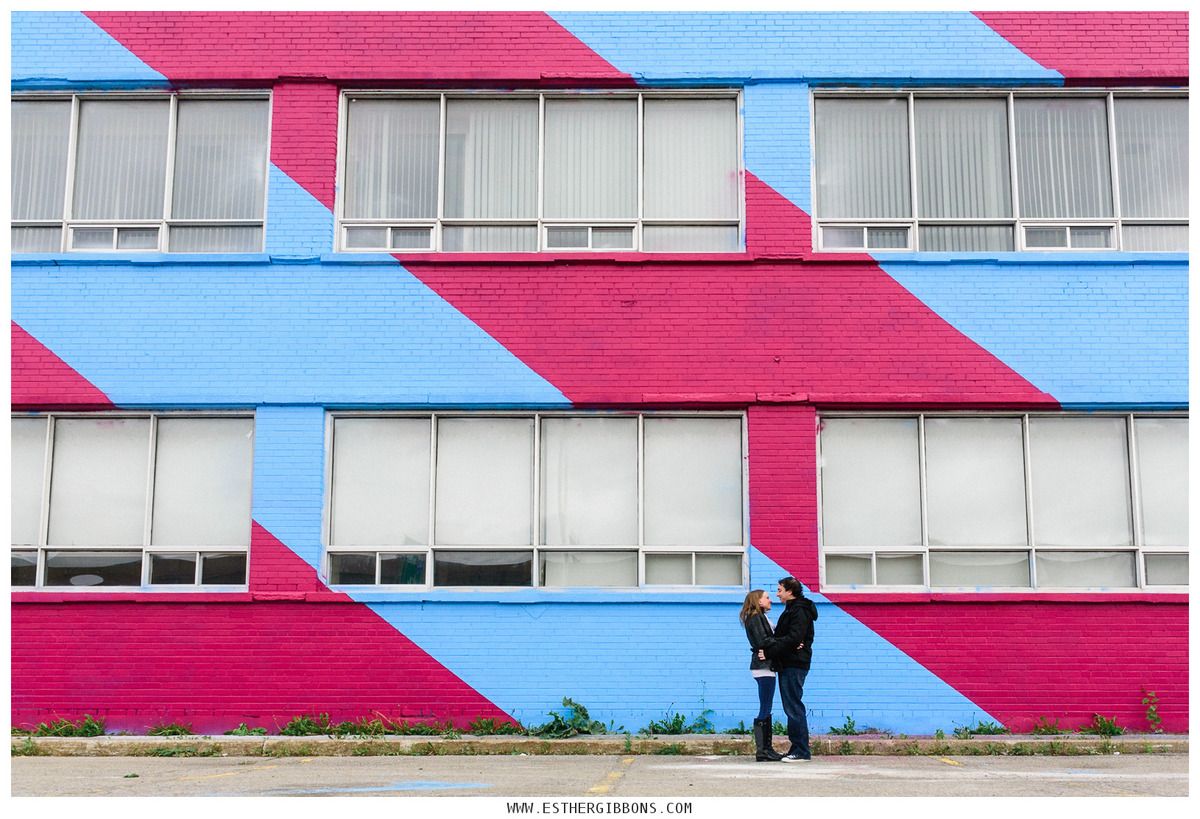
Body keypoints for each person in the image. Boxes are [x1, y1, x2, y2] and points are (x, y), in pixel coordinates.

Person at [760, 575, 817, 762]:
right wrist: (784, 644)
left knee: (793, 706)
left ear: (790, 592)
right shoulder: (792, 609)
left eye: (779, 590)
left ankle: (801, 750)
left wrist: (769, 652)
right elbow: (790, 639)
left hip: (795, 663)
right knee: (791, 705)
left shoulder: (799, 611)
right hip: (789, 661)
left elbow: (794, 638)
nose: (777, 594)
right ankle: (798, 748)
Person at [739, 589, 783, 761]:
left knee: (766, 706)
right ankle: (763, 750)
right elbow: (762, 641)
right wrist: (783, 643)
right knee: (765, 706)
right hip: (763, 667)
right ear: (758, 600)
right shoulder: (756, 618)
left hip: (765, 666)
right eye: (767, 597)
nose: (770, 600)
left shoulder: (761, 617)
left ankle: (765, 749)